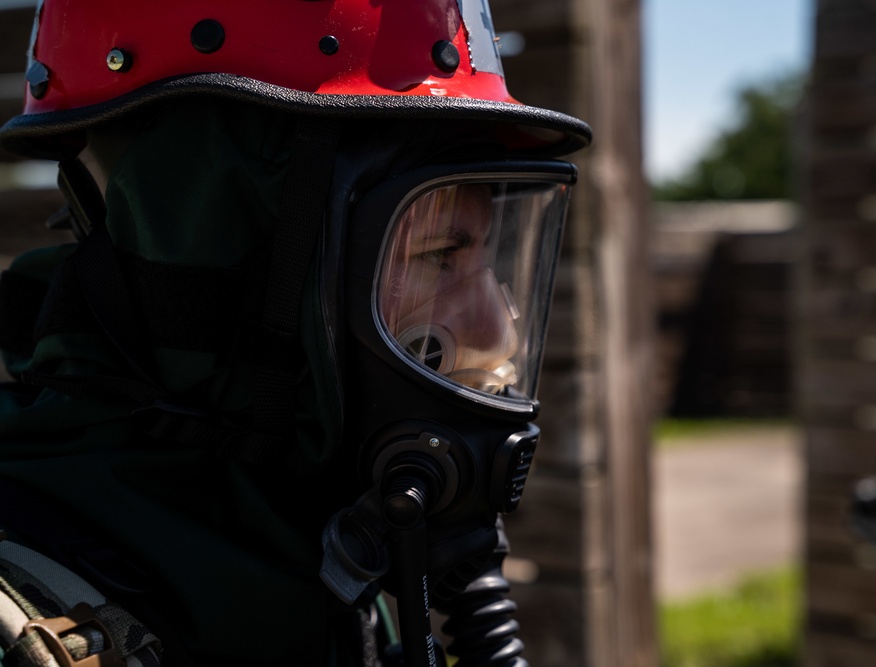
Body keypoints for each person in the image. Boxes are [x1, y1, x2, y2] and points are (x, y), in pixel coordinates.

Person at [0, 1, 590, 666]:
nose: (496, 333)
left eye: (489, 258)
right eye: (436, 254)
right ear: (218, 241)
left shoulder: (317, 558)